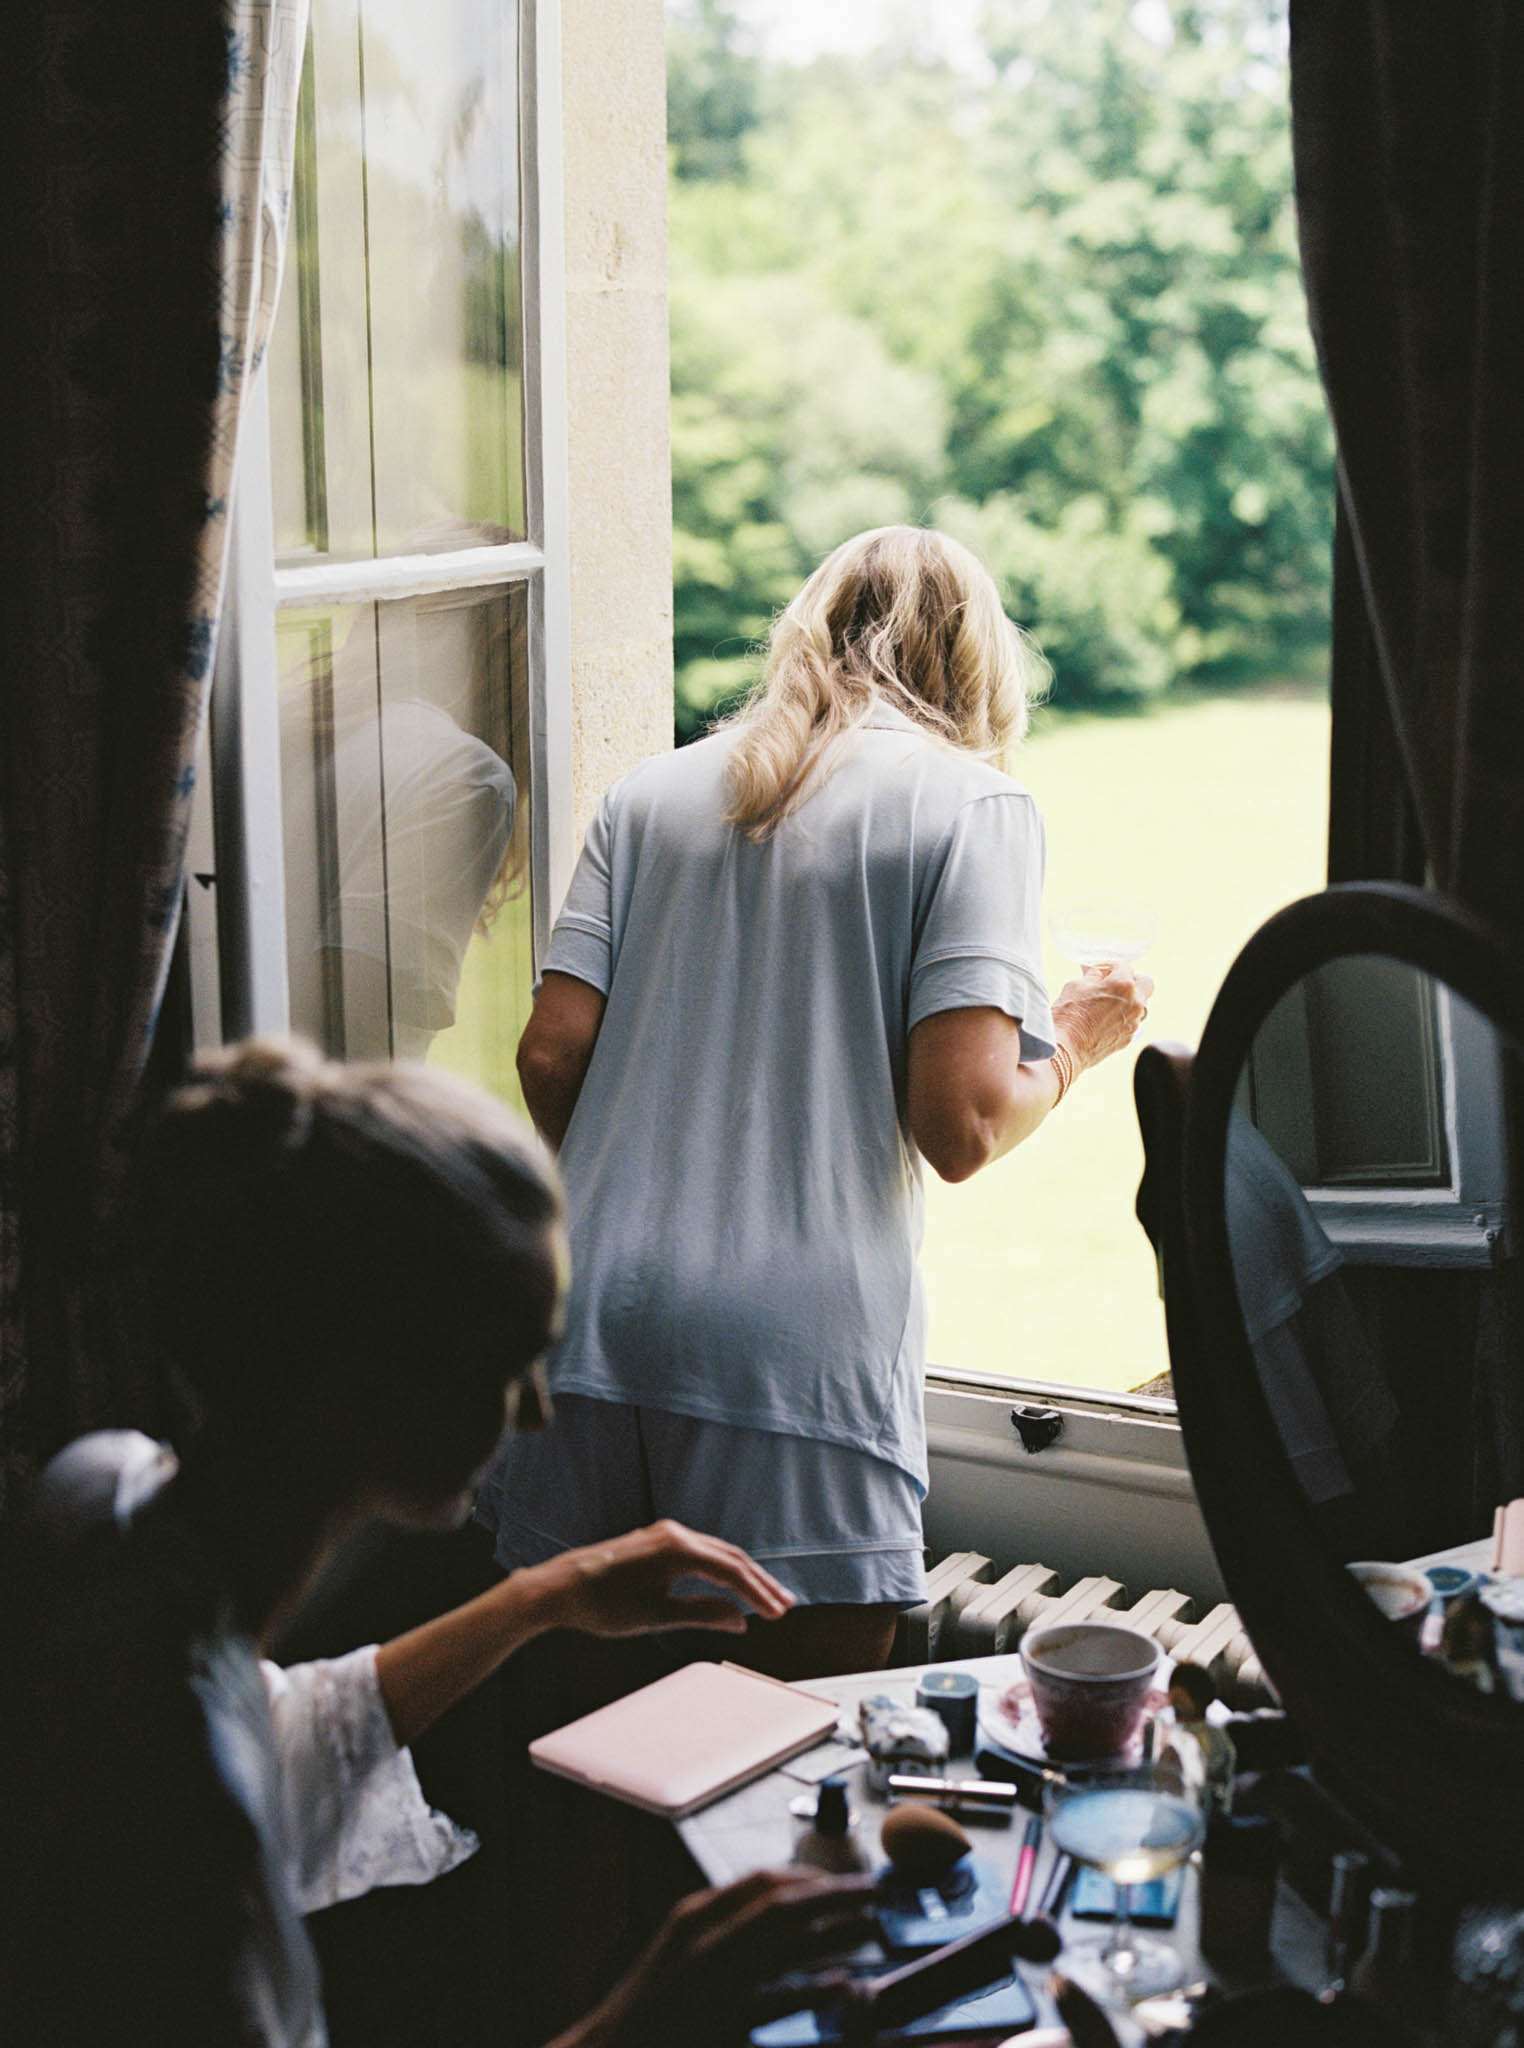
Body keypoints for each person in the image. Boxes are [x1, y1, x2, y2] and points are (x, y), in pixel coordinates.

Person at [0, 1041, 873, 2048]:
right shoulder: (190, 1858)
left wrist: (550, 1593)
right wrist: (641, 2018)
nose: (539, 1411)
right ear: (361, 1380)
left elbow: (273, 1730)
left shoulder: (107, 1490)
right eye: (510, 1365)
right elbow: (218, 1779)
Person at [478, 524, 1151, 1679]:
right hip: (786, 1350)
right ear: (974, 664)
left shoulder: (651, 794)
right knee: (792, 1749)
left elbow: (549, 1060)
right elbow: (964, 1121)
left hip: (582, 1316)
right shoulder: (971, 809)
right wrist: (1077, 1040)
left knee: (579, 1738)